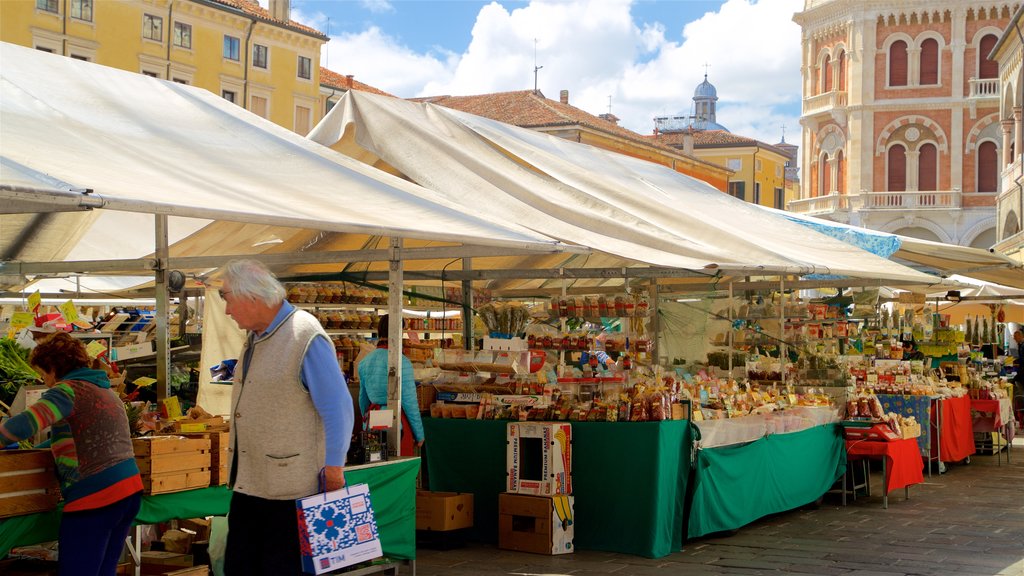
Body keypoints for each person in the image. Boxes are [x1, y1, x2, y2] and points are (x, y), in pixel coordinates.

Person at [217, 259, 354, 576]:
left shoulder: (304, 334)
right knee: (240, 566)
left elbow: (338, 406)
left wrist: (334, 468)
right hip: (250, 483)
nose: (226, 310)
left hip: (290, 489)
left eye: (227, 298)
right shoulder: (256, 336)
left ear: (251, 296)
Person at [0, 332, 143, 576]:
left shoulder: (67, 391)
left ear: (54, 368)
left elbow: (23, 425)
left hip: (97, 495)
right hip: (128, 491)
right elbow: (80, 437)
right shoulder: (104, 390)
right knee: (103, 570)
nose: (44, 380)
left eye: (43, 373)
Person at [358, 314, 424, 456]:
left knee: (376, 465)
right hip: (397, 424)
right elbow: (409, 402)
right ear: (399, 331)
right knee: (398, 469)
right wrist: (419, 434)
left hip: (372, 422)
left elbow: (363, 400)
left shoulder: (364, 362)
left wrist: (366, 421)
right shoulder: (402, 362)